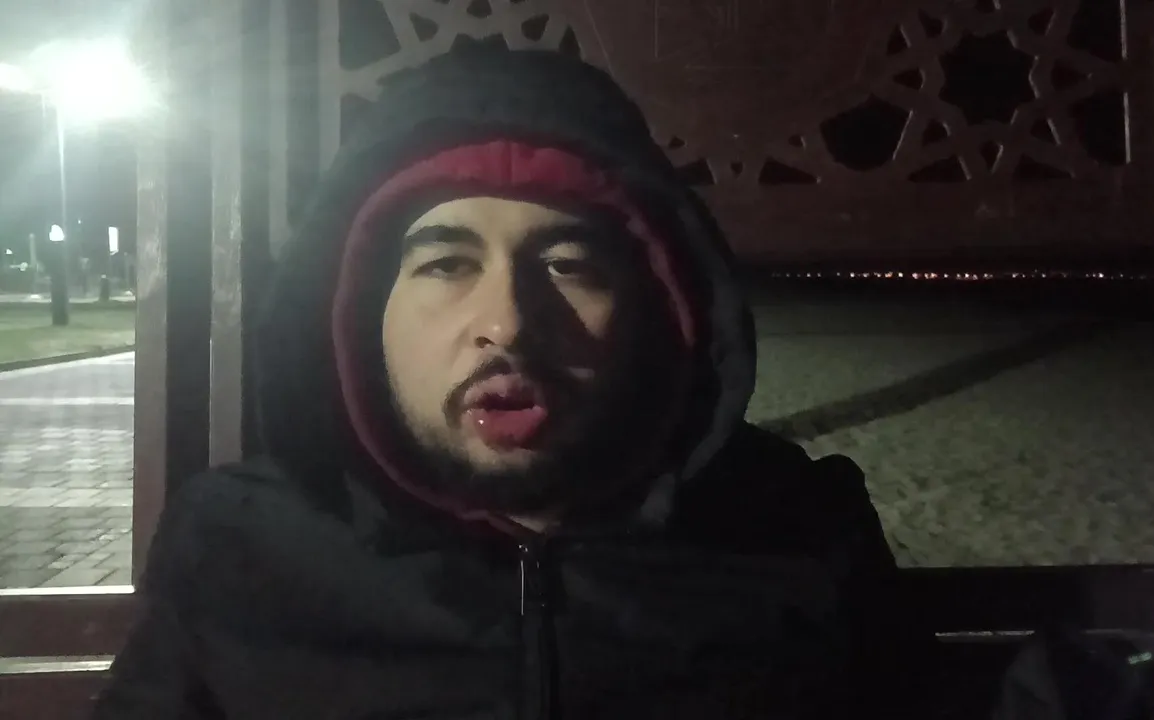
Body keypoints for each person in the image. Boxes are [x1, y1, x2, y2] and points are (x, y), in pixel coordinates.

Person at [93, 44, 935, 719]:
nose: (508, 323)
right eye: (446, 264)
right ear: (358, 313)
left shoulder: (799, 531)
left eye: (568, 265)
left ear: (656, 310)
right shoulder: (239, 548)